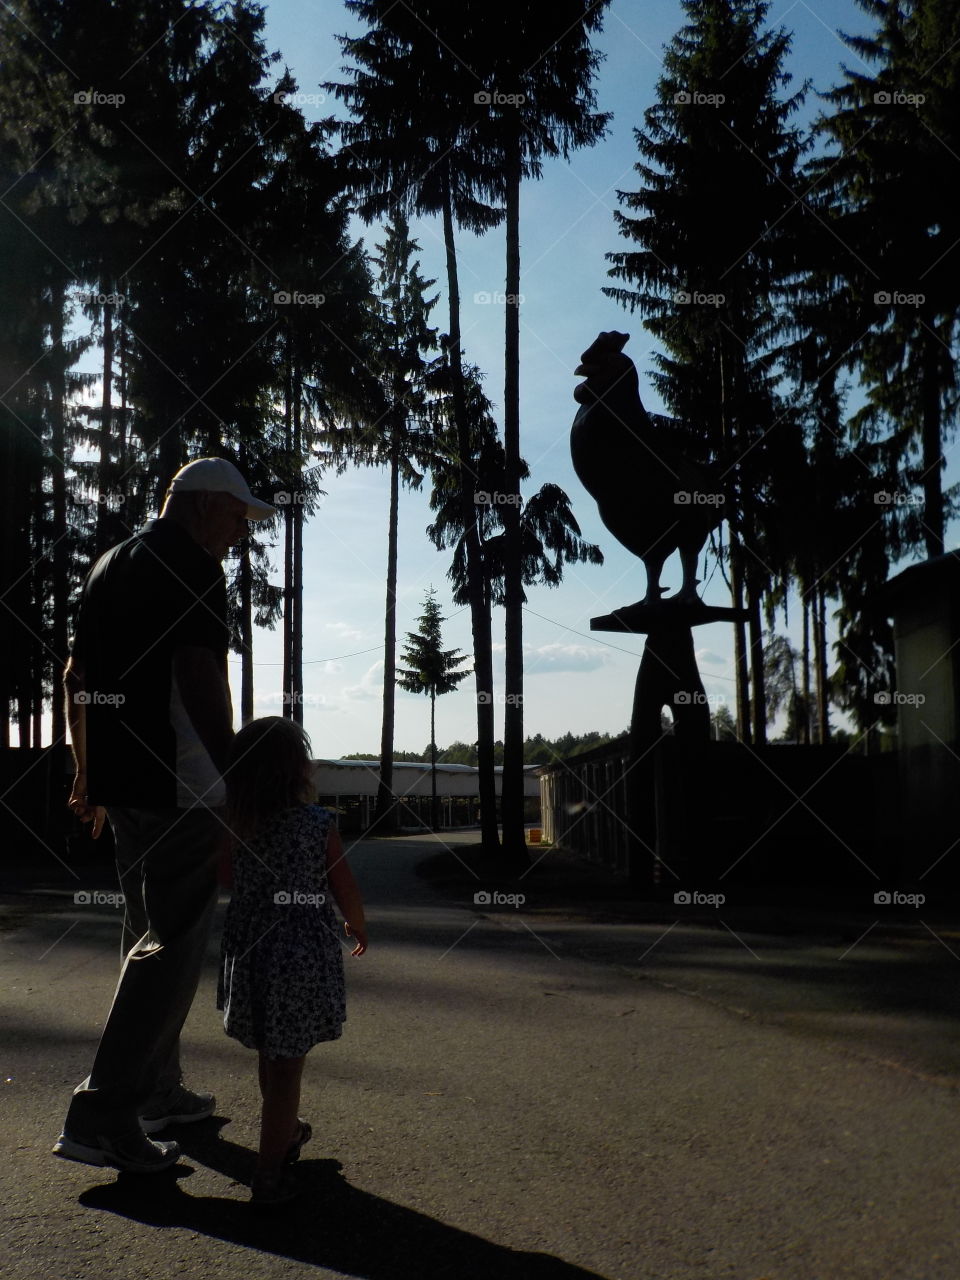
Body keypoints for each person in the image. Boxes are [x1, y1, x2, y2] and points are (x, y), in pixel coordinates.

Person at [53, 457, 276, 1174]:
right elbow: (195, 673)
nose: (241, 534)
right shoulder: (194, 568)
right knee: (170, 951)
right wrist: (239, 778)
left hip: (123, 784)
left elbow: (76, 678)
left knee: (144, 940)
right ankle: (103, 1116)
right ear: (205, 506)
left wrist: (86, 773)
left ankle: (160, 1094)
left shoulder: (109, 565)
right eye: (239, 518)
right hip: (181, 785)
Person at [217, 716, 367, 1206]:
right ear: (298, 770)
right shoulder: (319, 824)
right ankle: (267, 1172)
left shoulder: (234, 826)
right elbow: (342, 883)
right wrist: (356, 924)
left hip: (254, 955)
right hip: (301, 959)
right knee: (288, 1067)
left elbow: (225, 880)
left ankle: (288, 1132)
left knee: (270, 1052)